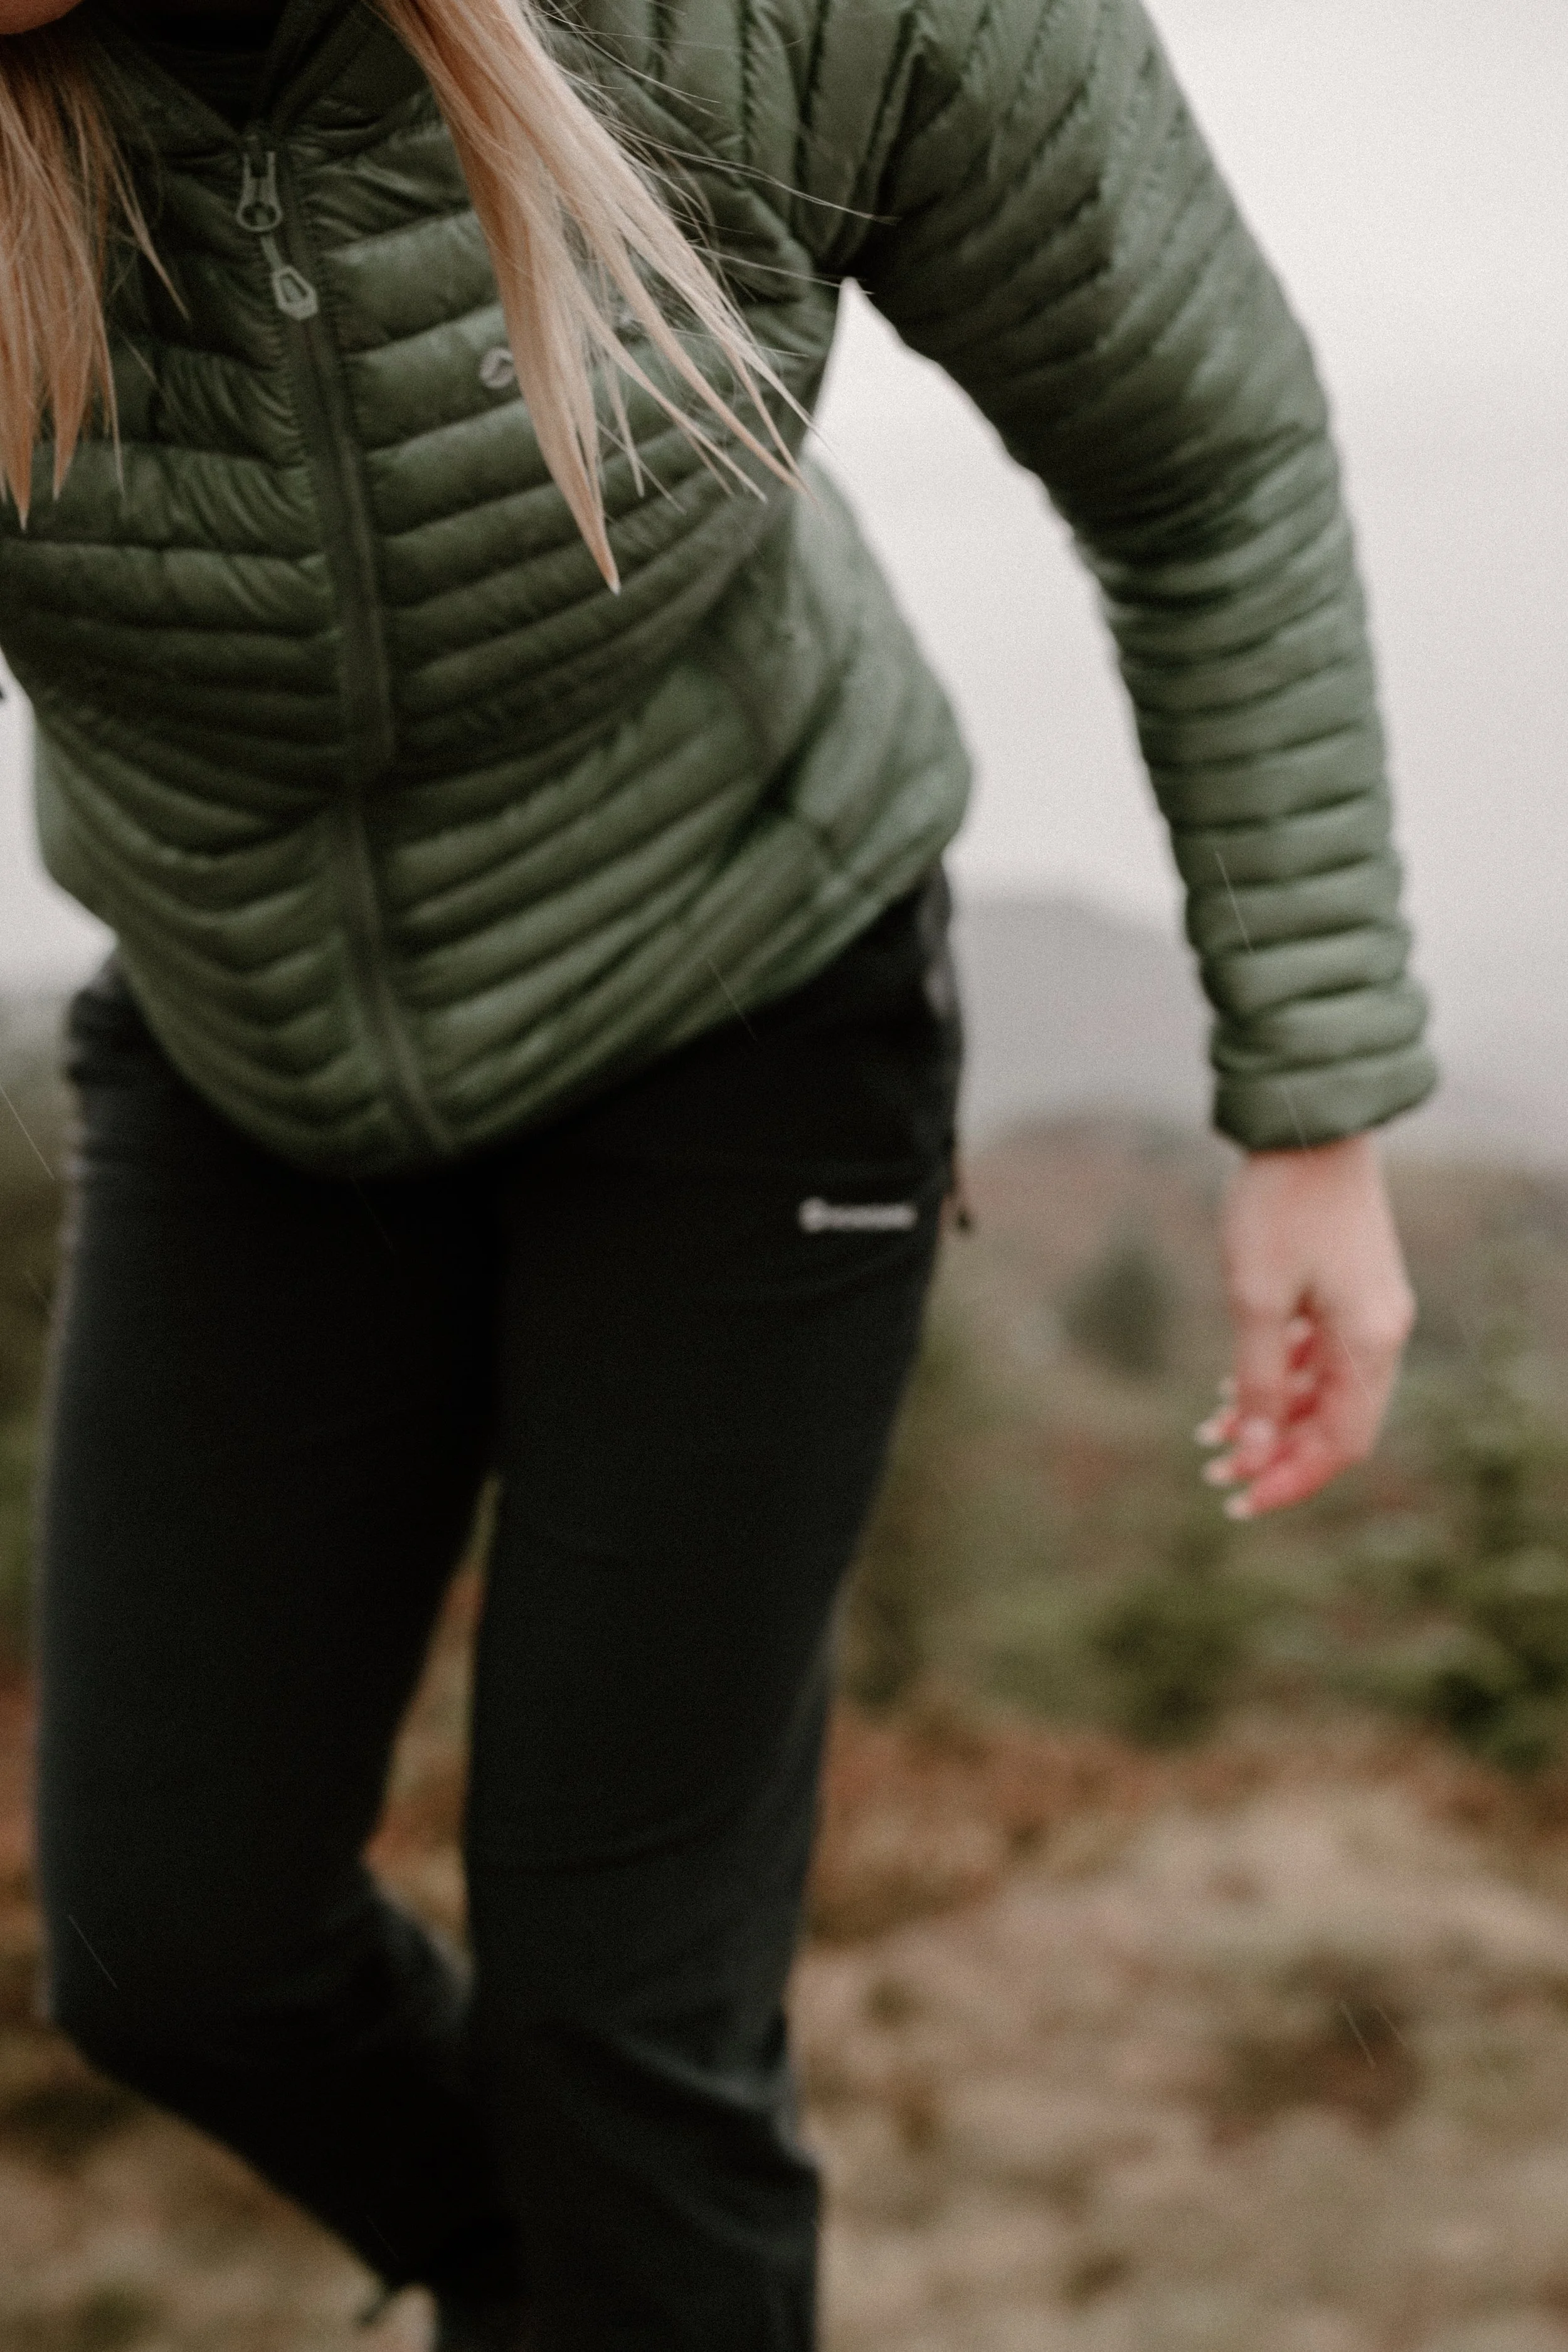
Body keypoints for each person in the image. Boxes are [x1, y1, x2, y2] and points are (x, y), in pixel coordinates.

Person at [0, 0, 1434, 2341]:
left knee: (624, 2026)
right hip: (246, 1032)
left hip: (745, 1001)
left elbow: (1204, 454)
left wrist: (1312, 1104)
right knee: (180, 1951)